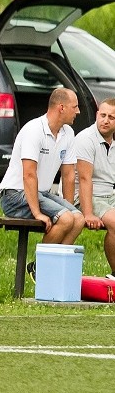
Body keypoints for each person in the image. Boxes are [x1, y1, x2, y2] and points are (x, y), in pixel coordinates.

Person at [0, 87, 85, 281]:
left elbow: (69, 175)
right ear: (61, 108)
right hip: (15, 194)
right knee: (66, 219)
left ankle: (45, 266)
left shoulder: (68, 133)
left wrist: (68, 207)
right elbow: (29, 174)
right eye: (75, 107)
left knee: (77, 219)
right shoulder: (33, 130)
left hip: (41, 193)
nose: (78, 111)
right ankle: (42, 267)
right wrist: (37, 213)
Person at [75, 97, 115, 279]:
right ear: (97, 115)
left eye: (112, 117)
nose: (106, 120)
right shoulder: (85, 139)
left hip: (109, 196)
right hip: (87, 196)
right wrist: (88, 214)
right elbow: (84, 178)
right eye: (103, 115)